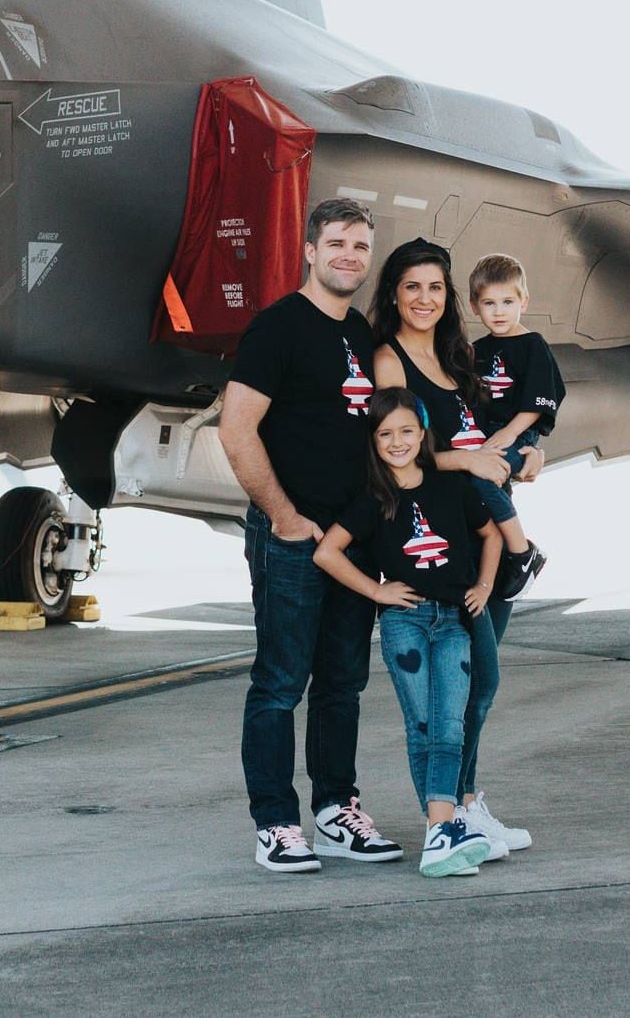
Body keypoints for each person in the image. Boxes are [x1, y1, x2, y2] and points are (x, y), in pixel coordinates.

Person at [219, 198, 403, 873]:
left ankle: (335, 811)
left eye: (360, 246)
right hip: (292, 537)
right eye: (337, 244)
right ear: (309, 250)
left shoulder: (359, 333)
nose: (349, 256)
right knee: (280, 681)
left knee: (342, 683)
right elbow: (236, 429)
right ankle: (275, 823)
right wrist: (283, 515)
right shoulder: (278, 328)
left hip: (351, 540)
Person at [367, 237, 536, 857]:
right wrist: (466, 461)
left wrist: (529, 450)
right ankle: (456, 812)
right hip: (435, 545)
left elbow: (492, 427)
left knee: (481, 685)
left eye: (435, 287)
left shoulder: (457, 355)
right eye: (412, 286)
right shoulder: (389, 360)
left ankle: (466, 802)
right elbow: (399, 450)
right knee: (469, 686)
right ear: (393, 294)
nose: (425, 298)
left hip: (480, 535)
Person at [314, 388, 502, 877]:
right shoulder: (373, 499)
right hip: (405, 623)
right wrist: (376, 591)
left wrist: (484, 586)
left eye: (405, 431)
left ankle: (442, 832)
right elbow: (326, 552)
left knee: (450, 726)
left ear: (422, 434)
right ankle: (442, 831)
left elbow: (491, 534)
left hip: (454, 622)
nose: (396, 442)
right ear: (373, 441)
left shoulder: (451, 486)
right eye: (385, 434)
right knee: (422, 726)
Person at [468, 251, 565, 601]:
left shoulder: (532, 345)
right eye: (489, 303)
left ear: (524, 302)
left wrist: (509, 433)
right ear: (474, 306)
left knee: (482, 476)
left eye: (508, 302)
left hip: (516, 432)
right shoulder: (476, 350)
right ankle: (498, 563)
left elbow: (540, 400)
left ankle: (523, 552)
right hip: (485, 437)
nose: (499, 312)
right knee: (487, 491)